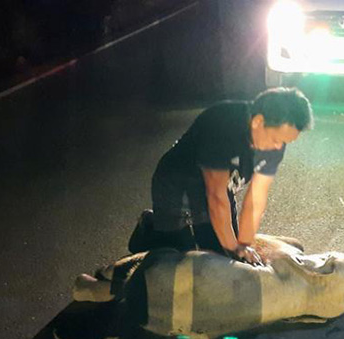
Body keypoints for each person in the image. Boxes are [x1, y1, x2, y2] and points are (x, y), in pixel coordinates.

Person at [128, 87, 313, 265]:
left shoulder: (275, 142)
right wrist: (233, 246)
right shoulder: (222, 125)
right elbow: (215, 197)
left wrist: (243, 246)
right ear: (257, 122)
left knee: (224, 259)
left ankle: (166, 228)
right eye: (276, 140)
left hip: (223, 187)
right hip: (178, 185)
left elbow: (256, 198)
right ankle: (150, 228)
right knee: (179, 260)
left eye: (286, 142)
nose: (278, 149)